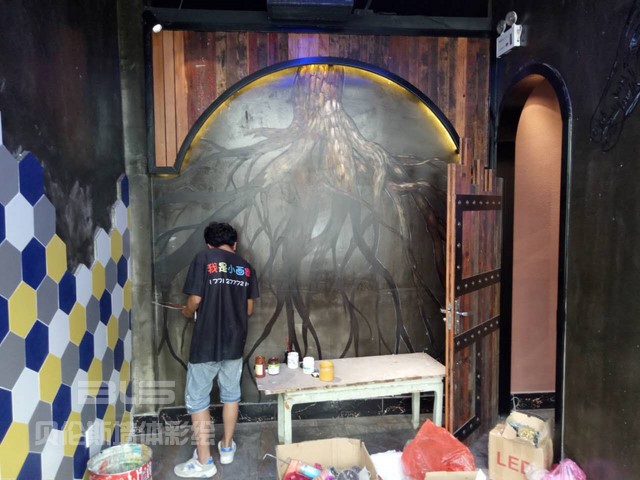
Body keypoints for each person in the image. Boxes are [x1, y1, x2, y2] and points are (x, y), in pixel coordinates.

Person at [174, 222, 259, 478]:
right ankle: (227, 447)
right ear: (235, 244)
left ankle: (204, 462)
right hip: (234, 343)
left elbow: (195, 299)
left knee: (198, 400)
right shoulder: (246, 267)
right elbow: (249, 309)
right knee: (231, 394)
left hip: (206, 343)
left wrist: (187, 311)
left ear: (209, 244)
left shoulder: (204, 258)